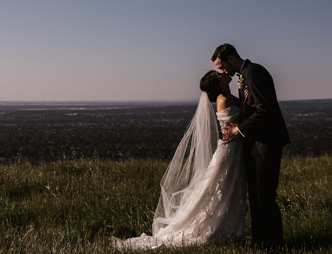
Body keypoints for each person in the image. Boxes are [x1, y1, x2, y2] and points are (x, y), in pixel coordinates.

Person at [112, 71, 247, 250]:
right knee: (220, 190)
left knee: (227, 191)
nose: (223, 73)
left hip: (235, 151)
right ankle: (216, 229)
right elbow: (239, 124)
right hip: (230, 151)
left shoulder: (228, 96)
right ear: (216, 84)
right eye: (218, 73)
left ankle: (227, 229)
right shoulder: (224, 99)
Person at [213, 43, 290, 248]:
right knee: (256, 198)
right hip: (255, 144)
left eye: (222, 66)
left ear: (230, 58)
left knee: (265, 197)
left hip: (266, 142)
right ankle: (260, 242)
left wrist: (238, 130)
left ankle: (274, 244)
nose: (222, 71)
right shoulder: (244, 76)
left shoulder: (254, 72)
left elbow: (265, 110)